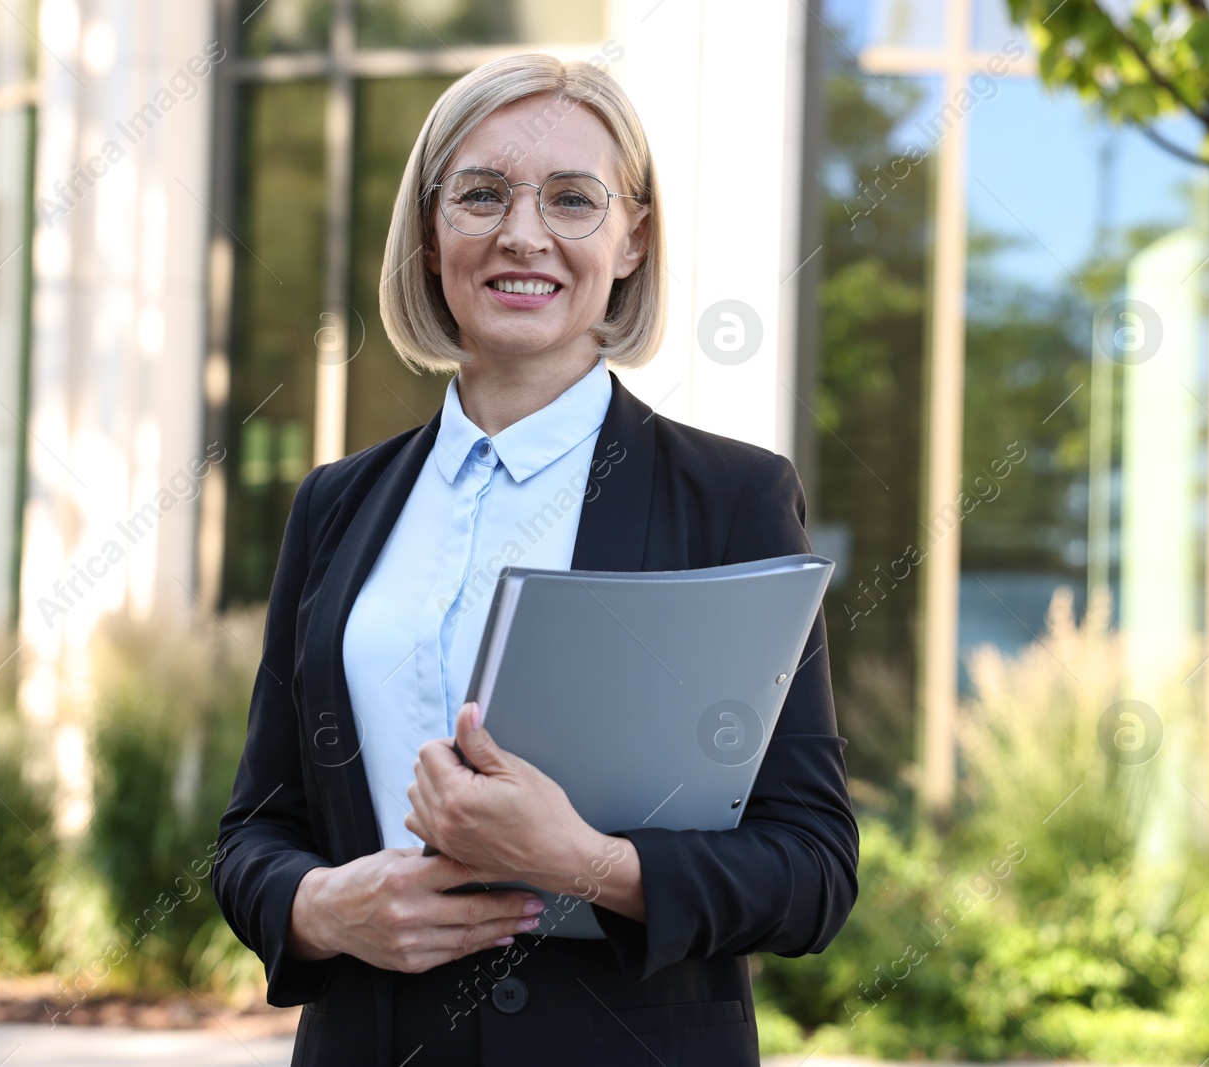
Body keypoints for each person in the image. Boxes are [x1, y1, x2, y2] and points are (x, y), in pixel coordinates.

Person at [212, 52, 858, 1066]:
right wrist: (321, 905)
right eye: (481, 193)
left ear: (633, 235)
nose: (524, 232)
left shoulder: (728, 500)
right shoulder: (336, 506)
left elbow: (811, 869)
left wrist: (588, 862)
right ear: (430, 235)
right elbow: (255, 828)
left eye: (572, 197)